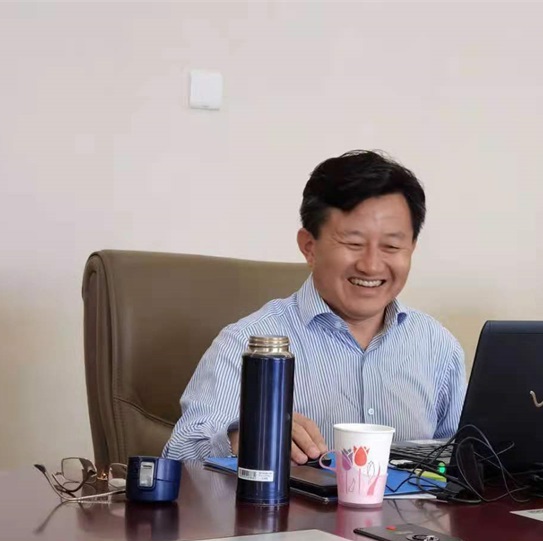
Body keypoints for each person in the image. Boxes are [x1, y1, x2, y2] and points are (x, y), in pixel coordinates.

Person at [163, 150, 466, 464]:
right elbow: (179, 454)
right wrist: (246, 437)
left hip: (417, 500)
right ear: (309, 247)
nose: (371, 265)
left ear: (411, 248)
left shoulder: (438, 346)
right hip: (288, 499)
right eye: (353, 244)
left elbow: (472, 458)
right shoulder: (248, 343)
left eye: (391, 246)